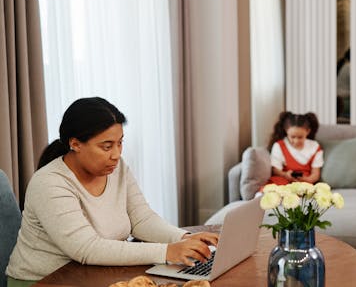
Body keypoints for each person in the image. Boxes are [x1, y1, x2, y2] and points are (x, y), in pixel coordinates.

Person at [6, 97, 219, 286]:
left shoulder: (117, 169)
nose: (116, 154)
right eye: (107, 146)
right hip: (44, 281)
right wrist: (167, 251)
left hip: (94, 274)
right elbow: (87, 248)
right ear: (75, 144)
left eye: (120, 143)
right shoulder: (49, 183)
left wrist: (183, 238)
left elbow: (141, 219)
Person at [265, 111, 324, 186]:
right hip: (284, 181)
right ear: (286, 131)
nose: (296, 141)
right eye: (292, 137)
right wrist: (285, 174)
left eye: (300, 137)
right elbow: (276, 170)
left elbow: (315, 174)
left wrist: (307, 180)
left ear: (308, 131)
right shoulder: (279, 146)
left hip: (305, 184)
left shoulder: (314, 147)